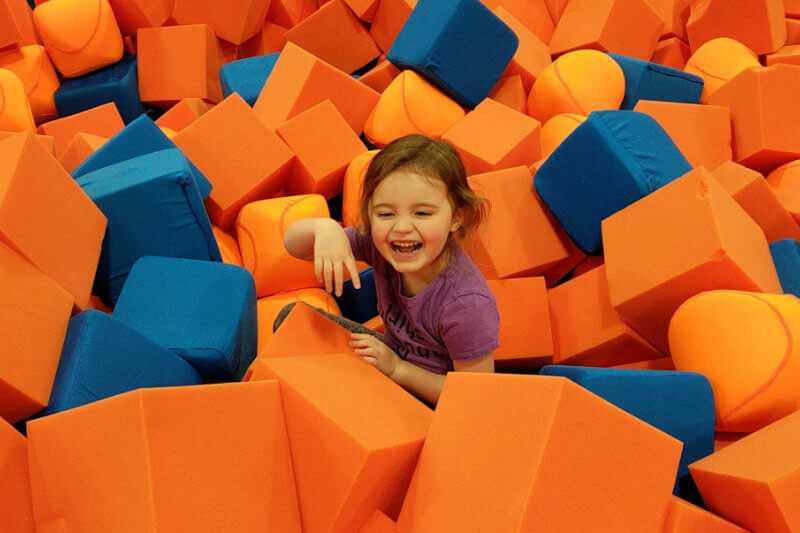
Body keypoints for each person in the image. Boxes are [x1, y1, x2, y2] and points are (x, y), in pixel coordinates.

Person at [280, 134, 499, 405]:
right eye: (386, 214)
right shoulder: (380, 244)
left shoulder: (466, 304)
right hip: (387, 361)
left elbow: (475, 396)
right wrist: (324, 228)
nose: (402, 227)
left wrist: (398, 370)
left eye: (422, 213)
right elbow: (292, 244)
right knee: (292, 318)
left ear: (456, 217)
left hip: (429, 402)